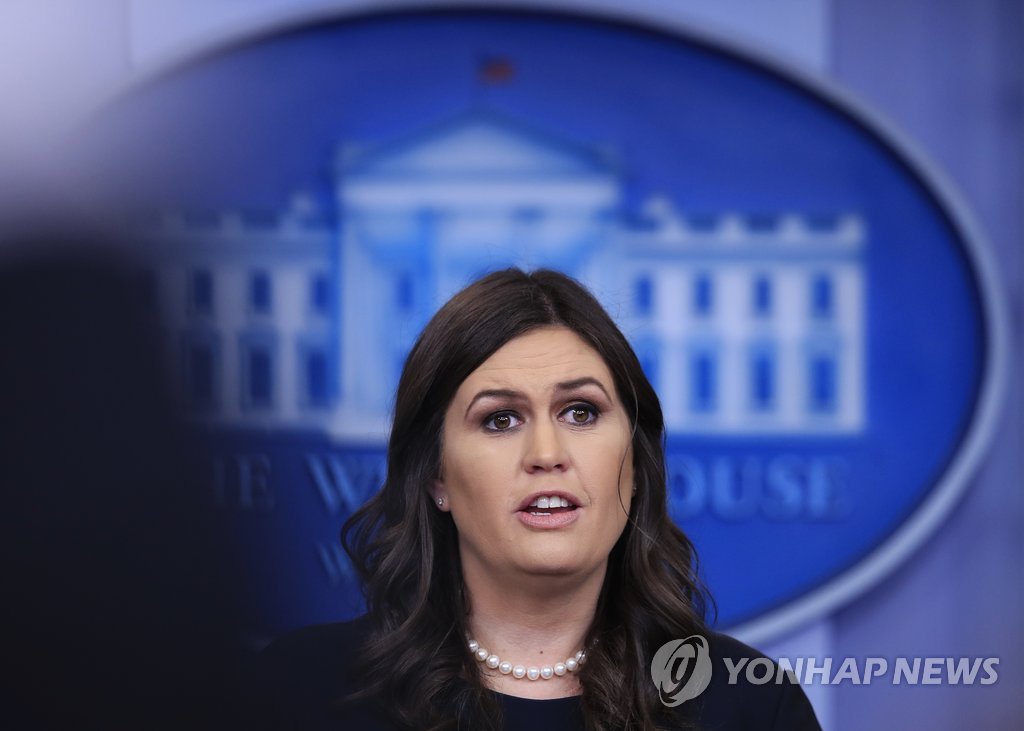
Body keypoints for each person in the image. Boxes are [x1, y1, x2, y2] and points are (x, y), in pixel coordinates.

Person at [252, 268, 820, 730]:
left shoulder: (748, 704)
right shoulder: (300, 690)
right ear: (436, 478)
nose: (547, 453)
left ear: (635, 464)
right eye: (500, 419)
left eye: (581, 412)